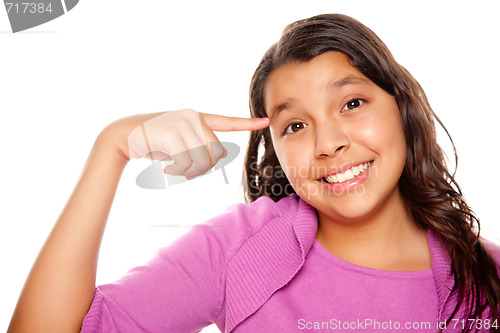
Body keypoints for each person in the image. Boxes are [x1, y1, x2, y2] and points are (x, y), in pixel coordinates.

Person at [8, 13, 500, 333]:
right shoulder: (240, 249)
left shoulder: (489, 275)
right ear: (275, 149)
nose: (328, 143)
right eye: (295, 125)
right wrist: (111, 146)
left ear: (402, 108)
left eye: (352, 103)